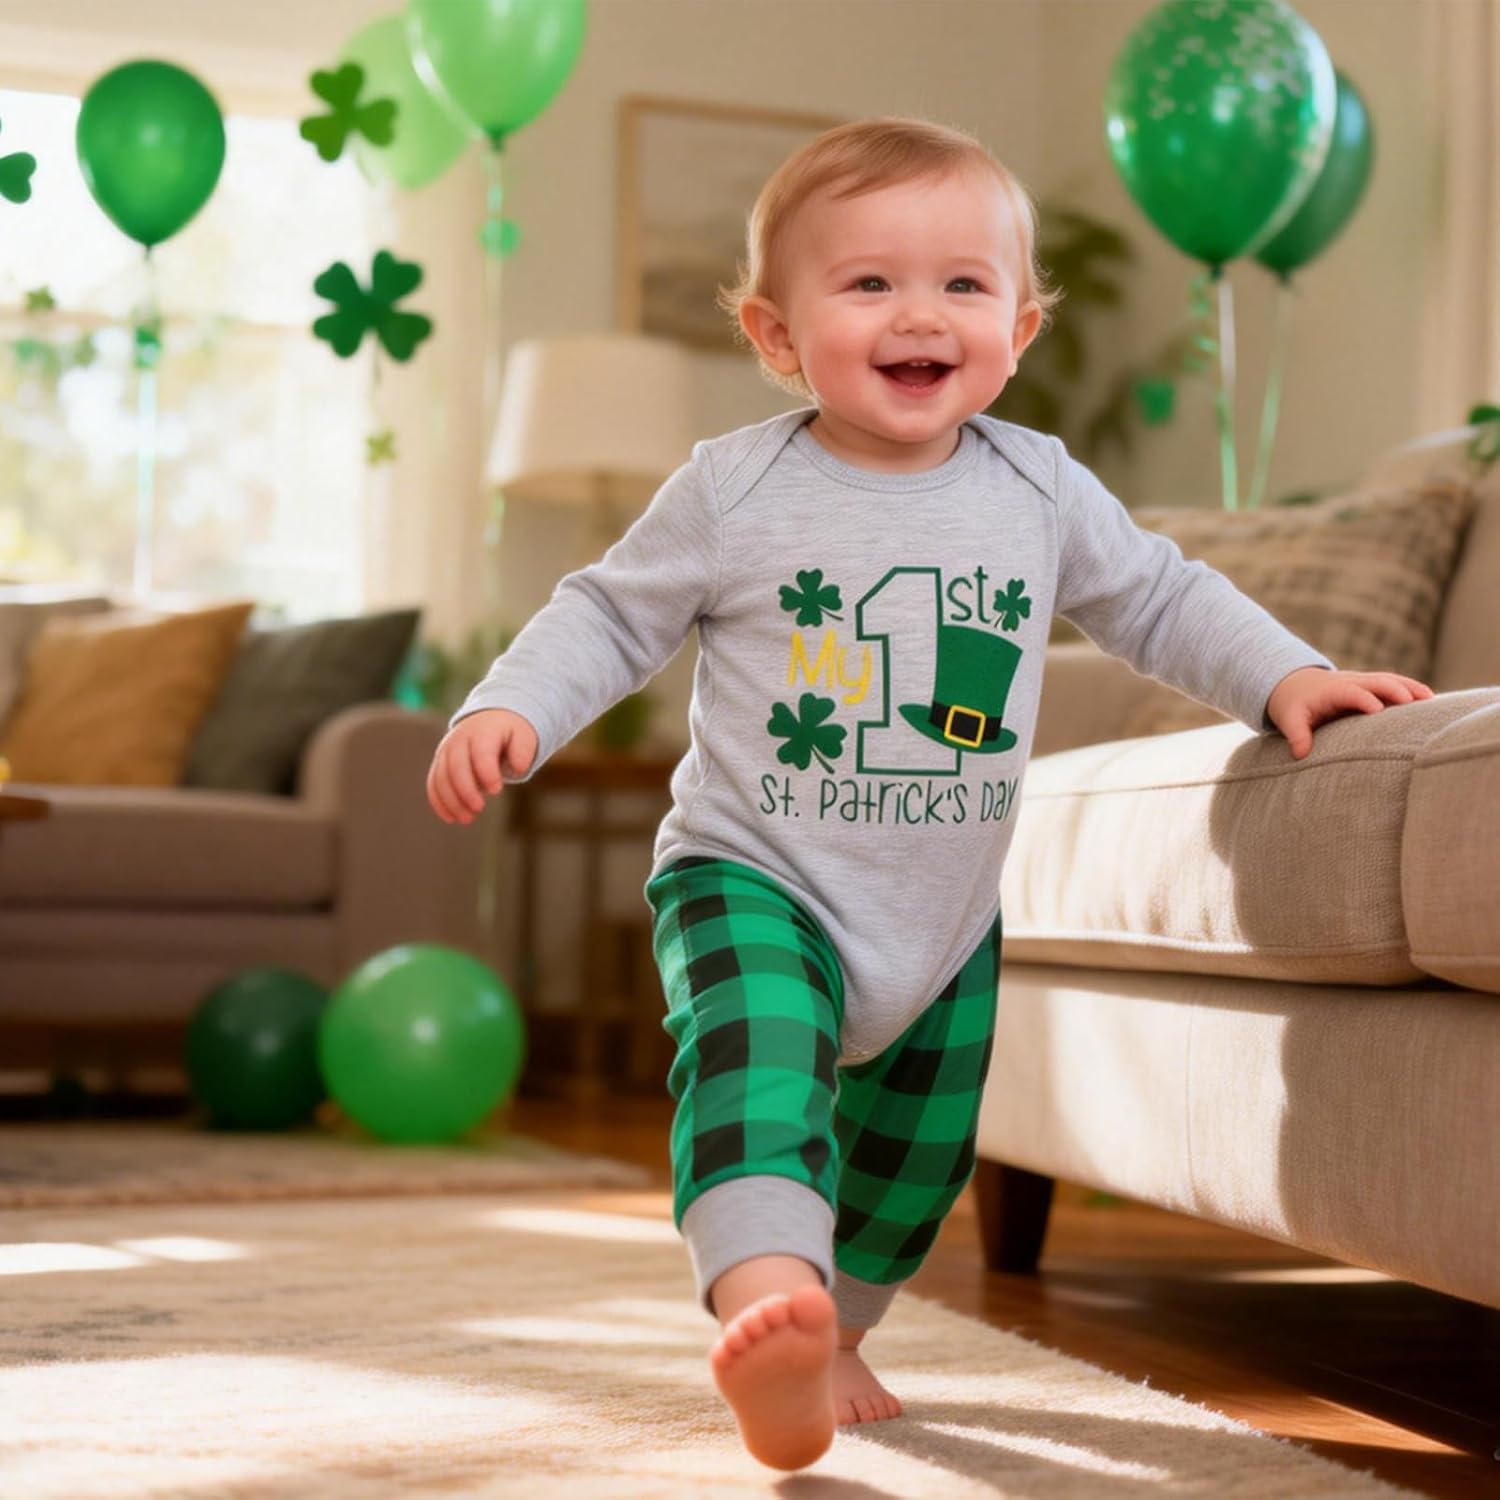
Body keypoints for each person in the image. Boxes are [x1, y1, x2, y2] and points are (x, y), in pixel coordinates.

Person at [426, 117, 1434, 1472]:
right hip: (752, 870)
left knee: (913, 1165)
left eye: (962, 285)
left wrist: (1285, 676)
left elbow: (1158, 598)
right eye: (869, 285)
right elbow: (607, 617)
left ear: (1018, 326)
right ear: (778, 336)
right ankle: (764, 1294)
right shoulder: (736, 489)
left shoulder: (1038, 487)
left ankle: (831, 1329)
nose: (920, 313)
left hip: (943, 912)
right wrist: (513, 706)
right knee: (753, 1067)